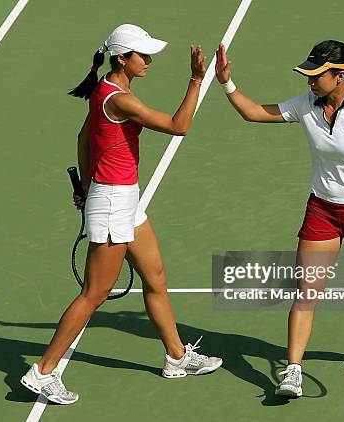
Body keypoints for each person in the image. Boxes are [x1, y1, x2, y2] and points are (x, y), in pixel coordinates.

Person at [21, 24, 222, 405]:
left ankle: (177, 357)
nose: (148, 61)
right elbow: (178, 126)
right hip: (113, 202)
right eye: (142, 55)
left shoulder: (105, 91)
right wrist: (196, 80)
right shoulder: (120, 100)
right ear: (121, 58)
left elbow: (84, 139)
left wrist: (84, 186)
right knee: (95, 293)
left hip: (124, 199)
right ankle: (42, 372)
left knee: (156, 276)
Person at [214, 40, 344, 397]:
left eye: (317, 75)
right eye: (309, 74)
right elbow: (254, 112)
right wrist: (226, 82)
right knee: (307, 289)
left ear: (340, 75)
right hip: (322, 209)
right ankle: (293, 370)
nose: (310, 82)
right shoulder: (306, 105)